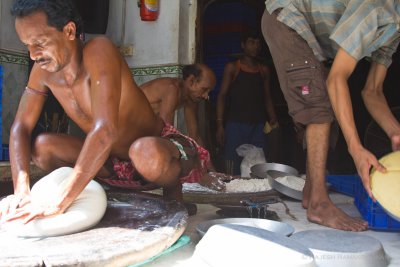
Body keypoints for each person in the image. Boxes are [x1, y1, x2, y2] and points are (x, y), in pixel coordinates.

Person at [0, 0, 211, 222]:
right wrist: (21, 191)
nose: (33, 54)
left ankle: (173, 195)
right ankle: (99, 195)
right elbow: (21, 126)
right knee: (43, 147)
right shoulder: (42, 70)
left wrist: (59, 202)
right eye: (27, 45)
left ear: (69, 31)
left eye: (39, 43)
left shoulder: (98, 50)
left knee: (144, 151)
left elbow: (105, 130)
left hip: (156, 150)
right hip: (111, 162)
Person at [262, 0, 400, 231]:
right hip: (286, 19)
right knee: (319, 105)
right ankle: (318, 203)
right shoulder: (378, 8)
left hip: (310, 38)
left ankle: (310, 191)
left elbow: (372, 91)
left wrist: (395, 132)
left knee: (323, 100)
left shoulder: (394, 28)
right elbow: (336, 79)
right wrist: (356, 149)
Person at [216, 30, 277, 175]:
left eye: (258, 43)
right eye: (251, 42)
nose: (255, 46)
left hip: (258, 124)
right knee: (232, 163)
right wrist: (219, 125)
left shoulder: (263, 70)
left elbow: (267, 96)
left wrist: (273, 119)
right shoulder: (233, 68)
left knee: (258, 162)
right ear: (243, 45)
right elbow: (222, 96)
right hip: (235, 124)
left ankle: (255, 193)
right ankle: (231, 192)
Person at [140, 63, 216, 148]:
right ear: (191, 81)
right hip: (128, 122)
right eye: (204, 89)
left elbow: (195, 136)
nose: (206, 96)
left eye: (208, 92)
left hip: (143, 128)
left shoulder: (190, 98)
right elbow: (165, 132)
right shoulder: (172, 89)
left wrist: (205, 159)